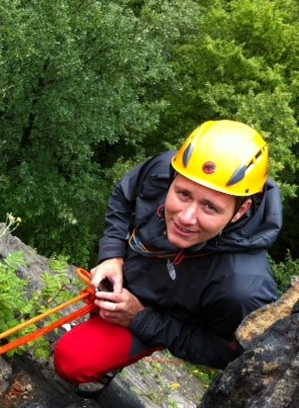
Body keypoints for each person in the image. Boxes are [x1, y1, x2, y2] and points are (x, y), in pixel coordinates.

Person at [54, 120, 282, 395]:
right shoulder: (166, 170)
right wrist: (112, 255)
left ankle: (110, 359)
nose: (186, 217)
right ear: (174, 179)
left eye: (210, 207)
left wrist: (140, 319)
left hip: (160, 314)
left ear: (241, 210)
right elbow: (124, 196)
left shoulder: (243, 289)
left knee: (73, 361)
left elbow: (224, 352)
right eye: (183, 194)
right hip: (128, 274)